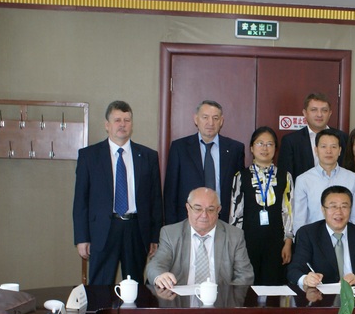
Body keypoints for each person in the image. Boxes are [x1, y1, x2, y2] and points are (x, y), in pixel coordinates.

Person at [73, 100, 162, 285]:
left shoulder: (148, 156)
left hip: (136, 230)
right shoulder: (89, 156)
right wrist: (82, 238)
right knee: (100, 287)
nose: (122, 124)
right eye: (117, 120)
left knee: (135, 285)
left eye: (127, 120)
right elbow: (80, 201)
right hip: (103, 230)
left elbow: (155, 200)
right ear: (107, 125)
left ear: (132, 124)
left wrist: (155, 236)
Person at [147, 187, 254, 289]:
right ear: (188, 208)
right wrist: (160, 276)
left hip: (221, 297)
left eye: (210, 210)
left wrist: (226, 296)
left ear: (218, 210)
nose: (204, 215)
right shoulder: (171, 233)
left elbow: (245, 275)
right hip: (180, 298)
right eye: (198, 209)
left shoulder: (234, 236)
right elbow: (156, 265)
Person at [228, 127, 294, 285]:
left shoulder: (285, 176)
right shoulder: (241, 177)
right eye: (260, 143)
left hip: (276, 243)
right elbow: (235, 215)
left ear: (275, 149)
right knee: (247, 287)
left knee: (274, 287)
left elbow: (288, 212)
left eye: (270, 144)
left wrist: (288, 242)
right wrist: (236, 247)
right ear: (251, 148)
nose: (265, 148)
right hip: (247, 242)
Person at [164, 100, 245, 224]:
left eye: (215, 118)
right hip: (188, 220)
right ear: (196, 119)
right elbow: (170, 192)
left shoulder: (235, 149)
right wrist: (172, 226)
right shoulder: (179, 148)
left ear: (221, 121)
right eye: (205, 117)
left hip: (224, 220)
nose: (210, 123)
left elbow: (239, 189)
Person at [288, 186, 355, 288]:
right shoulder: (308, 234)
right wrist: (305, 279)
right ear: (323, 210)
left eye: (344, 207)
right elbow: (294, 270)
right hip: (320, 294)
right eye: (333, 206)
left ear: (350, 209)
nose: (339, 212)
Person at [292, 129, 355, 234]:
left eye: (333, 147)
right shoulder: (303, 180)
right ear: (316, 150)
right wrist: (301, 241)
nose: (329, 151)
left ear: (340, 150)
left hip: (345, 238)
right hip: (314, 239)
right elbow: (299, 219)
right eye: (324, 146)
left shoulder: (352, 178)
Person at [278, 93, 348, 180]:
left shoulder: (343, 138)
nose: (319, 114)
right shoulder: (291, 141)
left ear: (330, 113)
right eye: (314, 110)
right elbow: (286, 178)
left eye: (324, 110)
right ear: (305, 113)